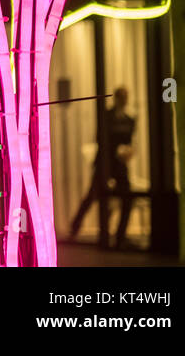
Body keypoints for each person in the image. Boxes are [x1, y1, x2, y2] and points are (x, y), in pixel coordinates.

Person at [69, 87, 136, 248]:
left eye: (125, 97)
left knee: (127, 197)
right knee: (92, 196)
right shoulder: (107, 116)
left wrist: (127, 151)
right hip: (105, 163)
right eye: (121, 97)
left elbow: (129, 141)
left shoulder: (129, 119)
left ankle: (120, 236)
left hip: (119, 165)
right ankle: (75, 228)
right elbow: (101, 139)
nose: (124, 100)